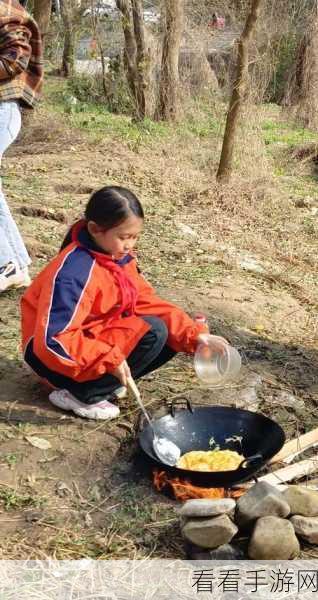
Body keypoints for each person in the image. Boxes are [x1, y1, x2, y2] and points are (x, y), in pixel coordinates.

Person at [21, 186, 229, 420]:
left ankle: (102, 384)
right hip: (54, 360)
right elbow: (53, 341)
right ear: (95, 230)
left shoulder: (117, 257)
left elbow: (144, 300)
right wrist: (108, 359)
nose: (130, 245)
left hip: (93, 338)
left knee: (168, 332)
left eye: (135, 237)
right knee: (155, 331)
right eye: (124, 237)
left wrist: (193, 334)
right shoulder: (74, 274)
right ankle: (80, 394)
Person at [0, 0, 43, 293]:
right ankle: (16, 264)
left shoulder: (8, 14)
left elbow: (16, 58)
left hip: (3, 109)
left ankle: (8, 262)